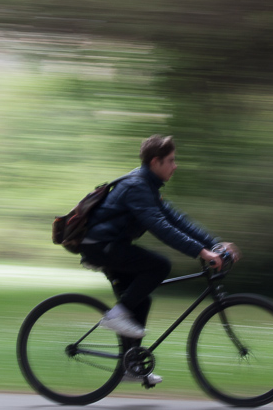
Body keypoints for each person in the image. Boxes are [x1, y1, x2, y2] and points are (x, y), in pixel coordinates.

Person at [78, 134, 239, 386]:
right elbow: (161, 228)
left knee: (140, 301)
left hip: (110, 246)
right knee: (160, 265)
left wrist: (213, 244)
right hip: (102, 247)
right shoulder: (137, 187)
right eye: (171, 161)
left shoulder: (147, 185)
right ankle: (114, 316)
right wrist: (202, 252)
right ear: (156, 162)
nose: (175, 166)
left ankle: (131, 366)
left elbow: (177, 220)